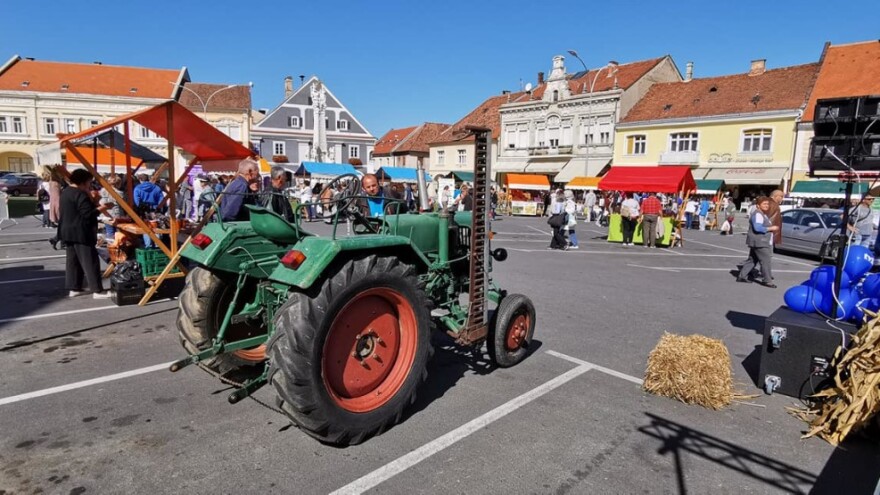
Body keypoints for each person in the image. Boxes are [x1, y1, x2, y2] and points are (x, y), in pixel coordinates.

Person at [59, 169, 110, 299]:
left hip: (67, 231)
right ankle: (97, 290)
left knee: (73, 261)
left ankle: (74, 287)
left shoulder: (66, 192)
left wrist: (93, 200)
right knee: (90, 261)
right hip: (81, 231)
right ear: (83, 181)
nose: (90, 184)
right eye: (89, 182)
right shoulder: (79, 194)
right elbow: (87, 214)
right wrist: (103, 208)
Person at [736, 196, 778, 288]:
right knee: (766, 261)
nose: (767, 205)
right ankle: (767, 280)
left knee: (752, 260)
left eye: (767, 204)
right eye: (764, 204)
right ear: (758, 205)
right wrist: (771, 228)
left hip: (757, 241)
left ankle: (742, 276)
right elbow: (757, 228)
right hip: (760, 241)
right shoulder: (758, 214)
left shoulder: (762, 214)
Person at [98, 174, 124, 239]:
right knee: (119, 234)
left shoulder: (102, 191)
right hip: (116, 214)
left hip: (106, 214)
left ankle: (110, 246)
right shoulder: (120, 193)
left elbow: (100, 202)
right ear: (119, 183)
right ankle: (117, 247)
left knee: (110, 232)